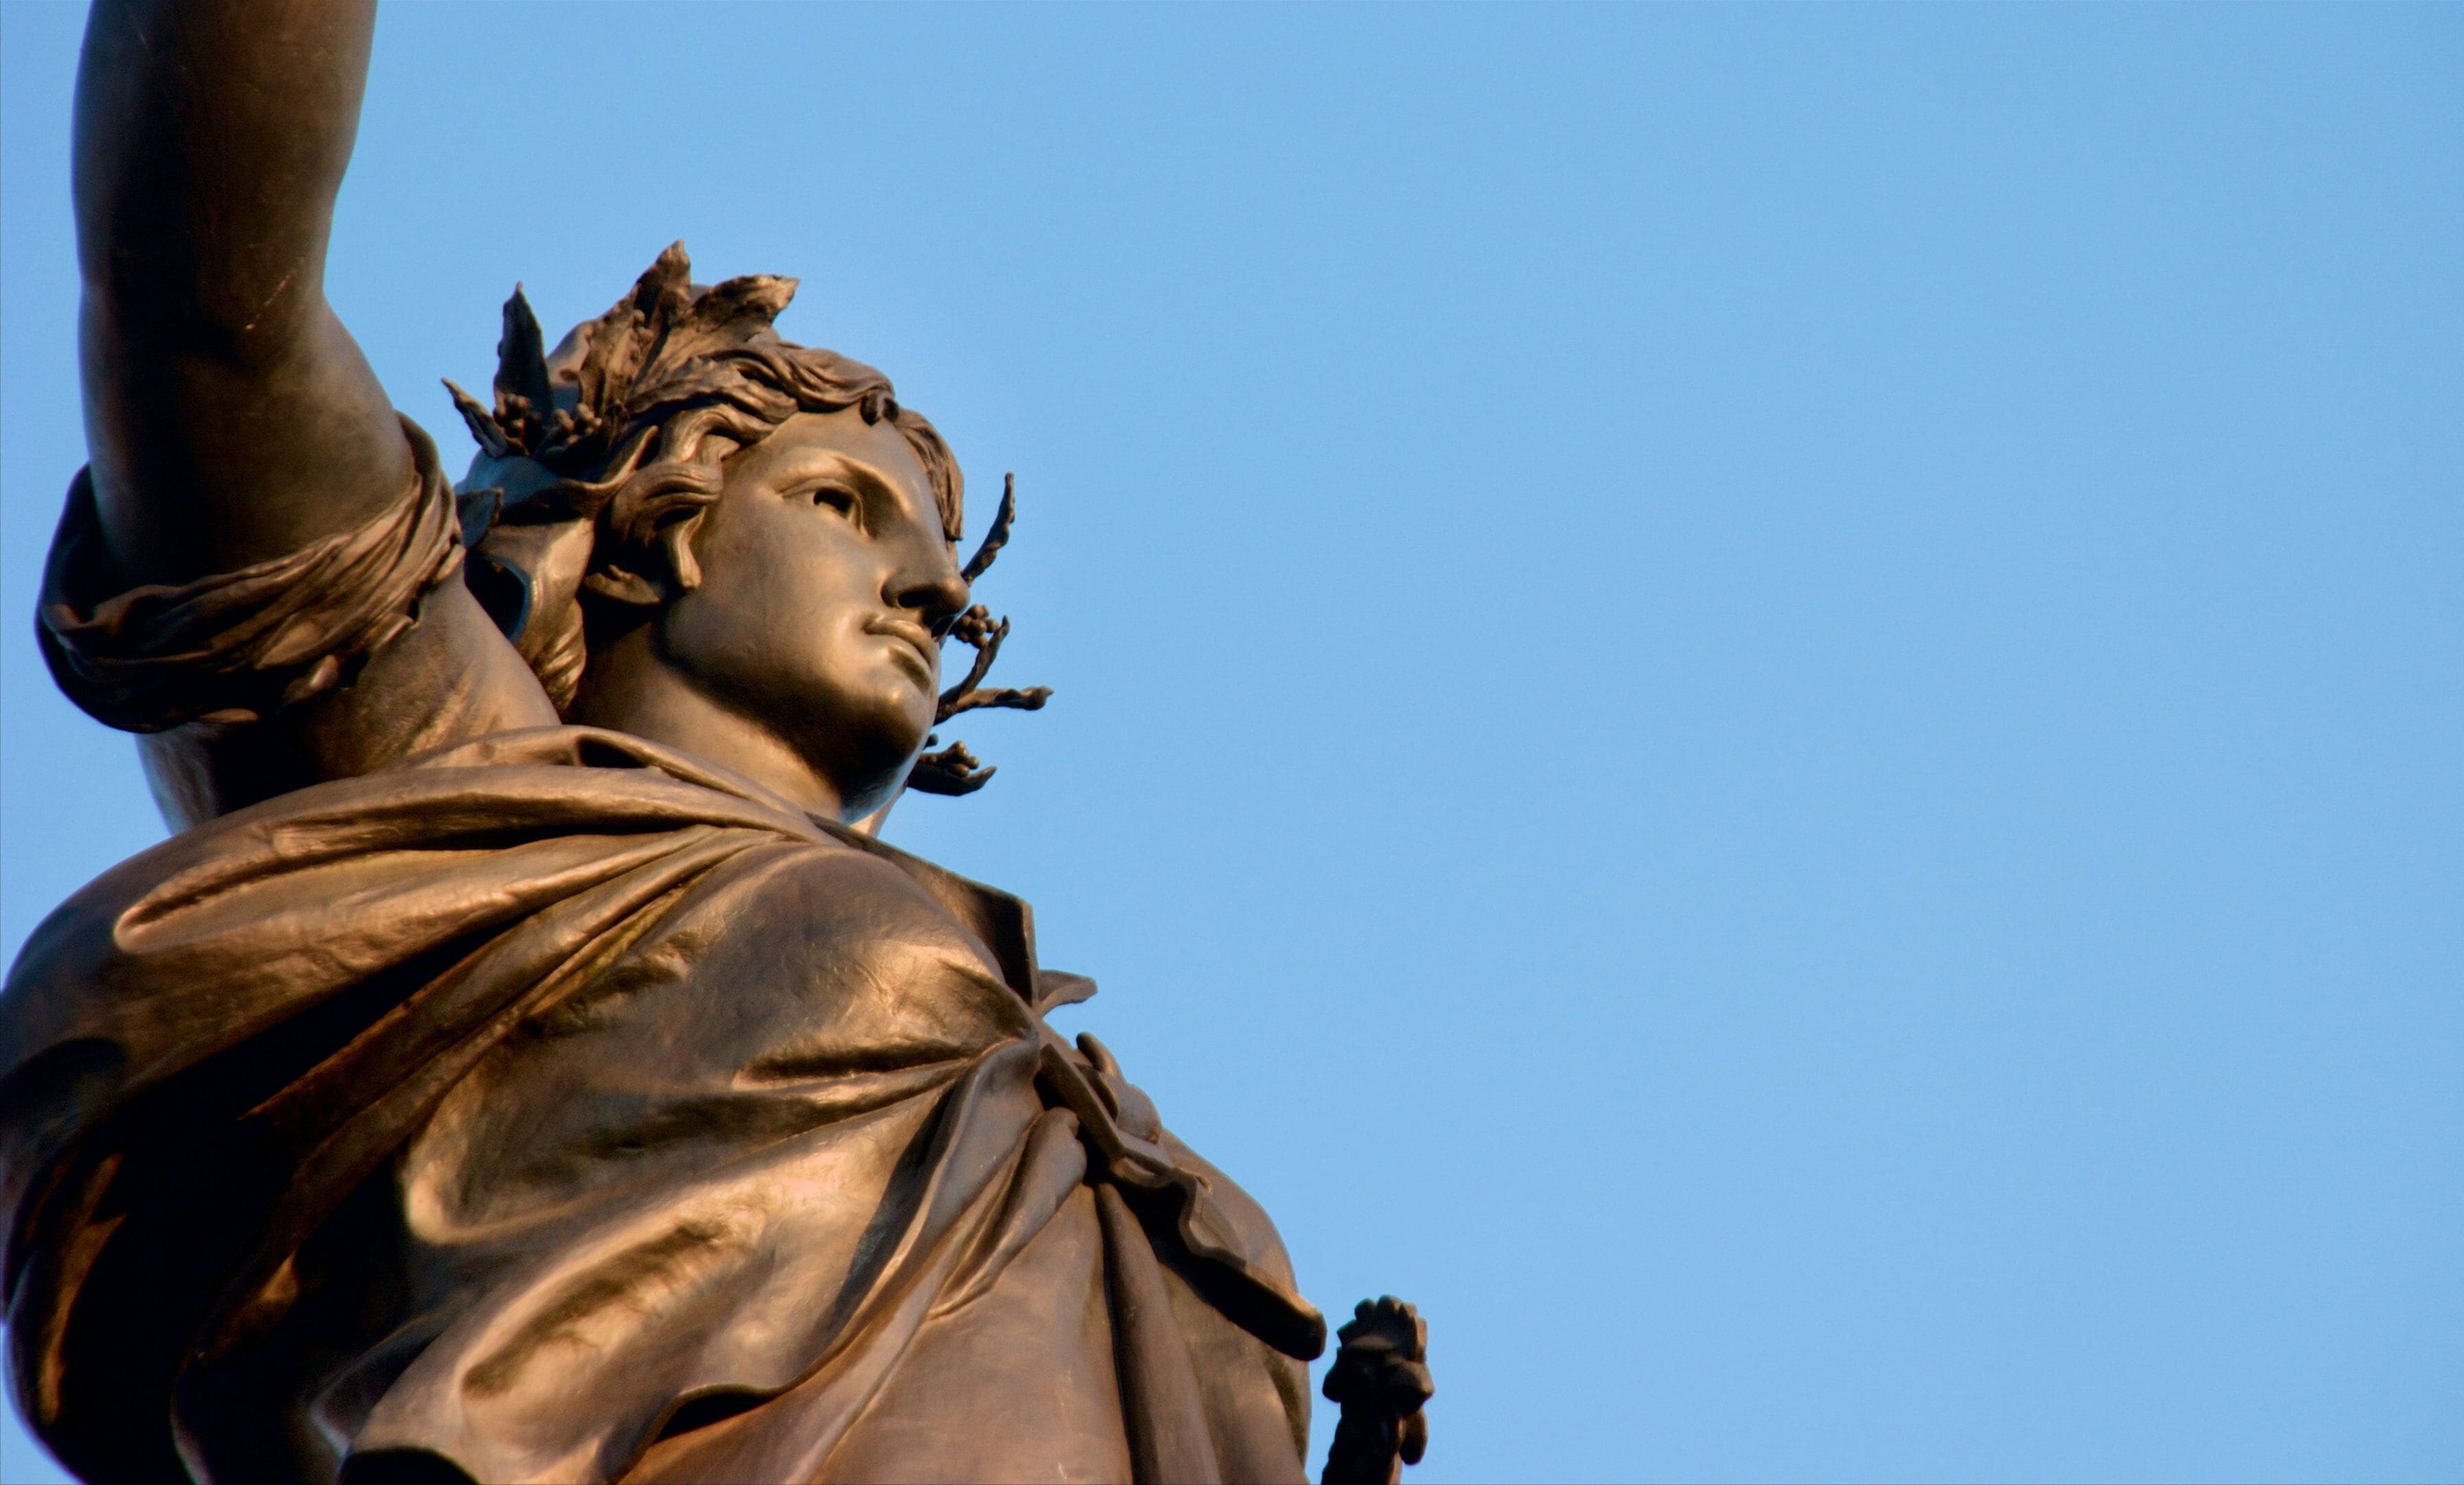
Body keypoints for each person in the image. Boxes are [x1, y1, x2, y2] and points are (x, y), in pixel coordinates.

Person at [0, 2, 1425, 1482]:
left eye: (947, 557)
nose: (936, 590)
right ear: (640, 527)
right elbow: (203, 307)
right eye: (840, 505)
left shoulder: (1074, 1096)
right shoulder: (482, 801)